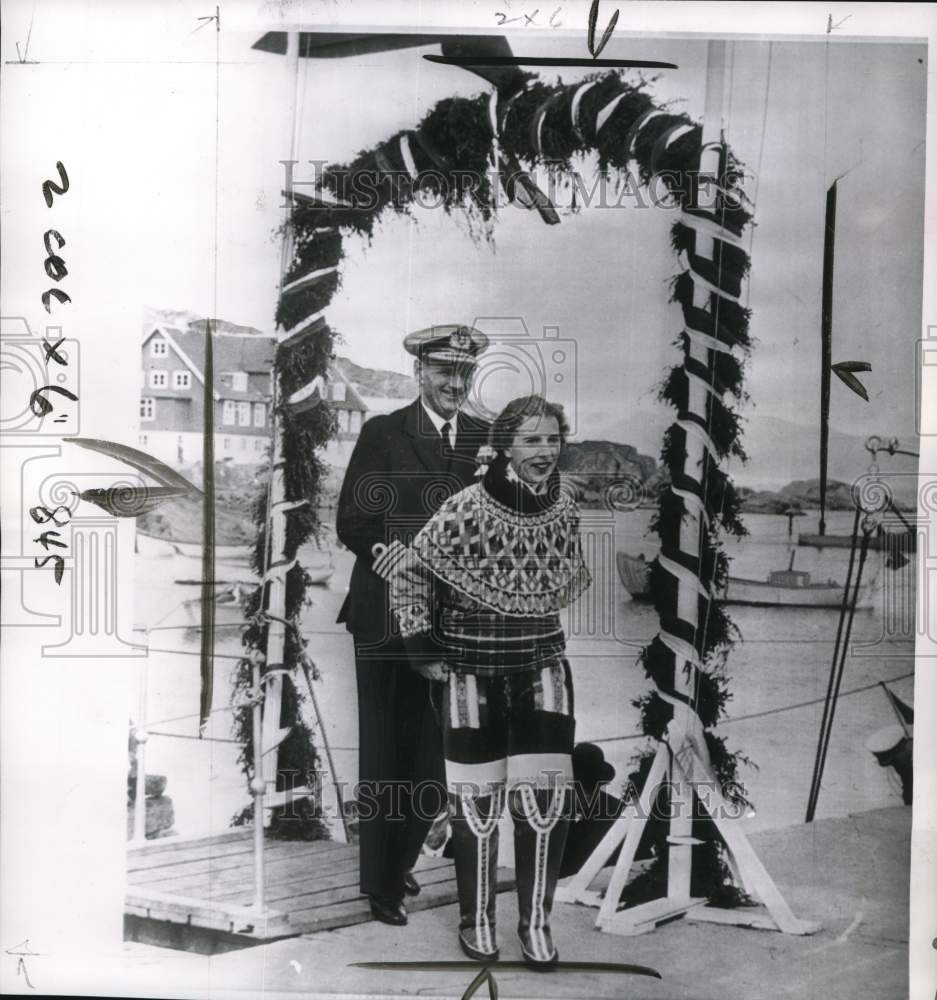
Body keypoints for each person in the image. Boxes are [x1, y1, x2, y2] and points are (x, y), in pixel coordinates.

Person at [389, 395, 591, 967]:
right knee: (476, 805)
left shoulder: (567, 509)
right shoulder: (463, 509)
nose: (545, 451)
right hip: (469, 670)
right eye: (531, 440)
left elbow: (555, 577)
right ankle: (476, 921)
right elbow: (409, 574)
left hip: (543, 667)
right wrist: (421, 646)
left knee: (544, 799)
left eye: (553, 439)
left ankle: (536, 926)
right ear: (504, 445)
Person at [336, 324, 490, 926]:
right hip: (381, 617)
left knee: (435, 757)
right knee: (384, 752)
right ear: (420, 373)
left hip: (452, 624)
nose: (455, 383)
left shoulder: (484, 439)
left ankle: (399, 858)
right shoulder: (383, 433)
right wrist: (388, 551)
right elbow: (352, 520)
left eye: (464, 373)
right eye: (444, 371)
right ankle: (380, 884)